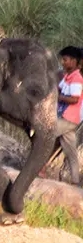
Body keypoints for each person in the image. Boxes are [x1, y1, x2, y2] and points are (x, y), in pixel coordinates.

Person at [56, 46, 83, 186]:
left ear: (73, 61)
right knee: (71, 152)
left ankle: (38, 170)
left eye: (65, 60)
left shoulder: (77, 79)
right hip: (68, 118)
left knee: (44, 134)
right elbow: (59, 87)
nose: (63, 62)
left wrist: (58, 97)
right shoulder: (68, 76)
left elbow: (75, 99)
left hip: (68, 118)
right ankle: (75, 181)